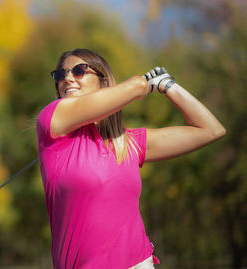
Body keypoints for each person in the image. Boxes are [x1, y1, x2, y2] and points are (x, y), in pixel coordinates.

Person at [36, 48, 226, 269]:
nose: (67, 78)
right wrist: (142, 85)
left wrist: (167, 85)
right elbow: (135, 87)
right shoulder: (51, 121)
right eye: (60, 75)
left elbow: (211, 130)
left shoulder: (128, 143)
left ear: (103, 82)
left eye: (79, 70)